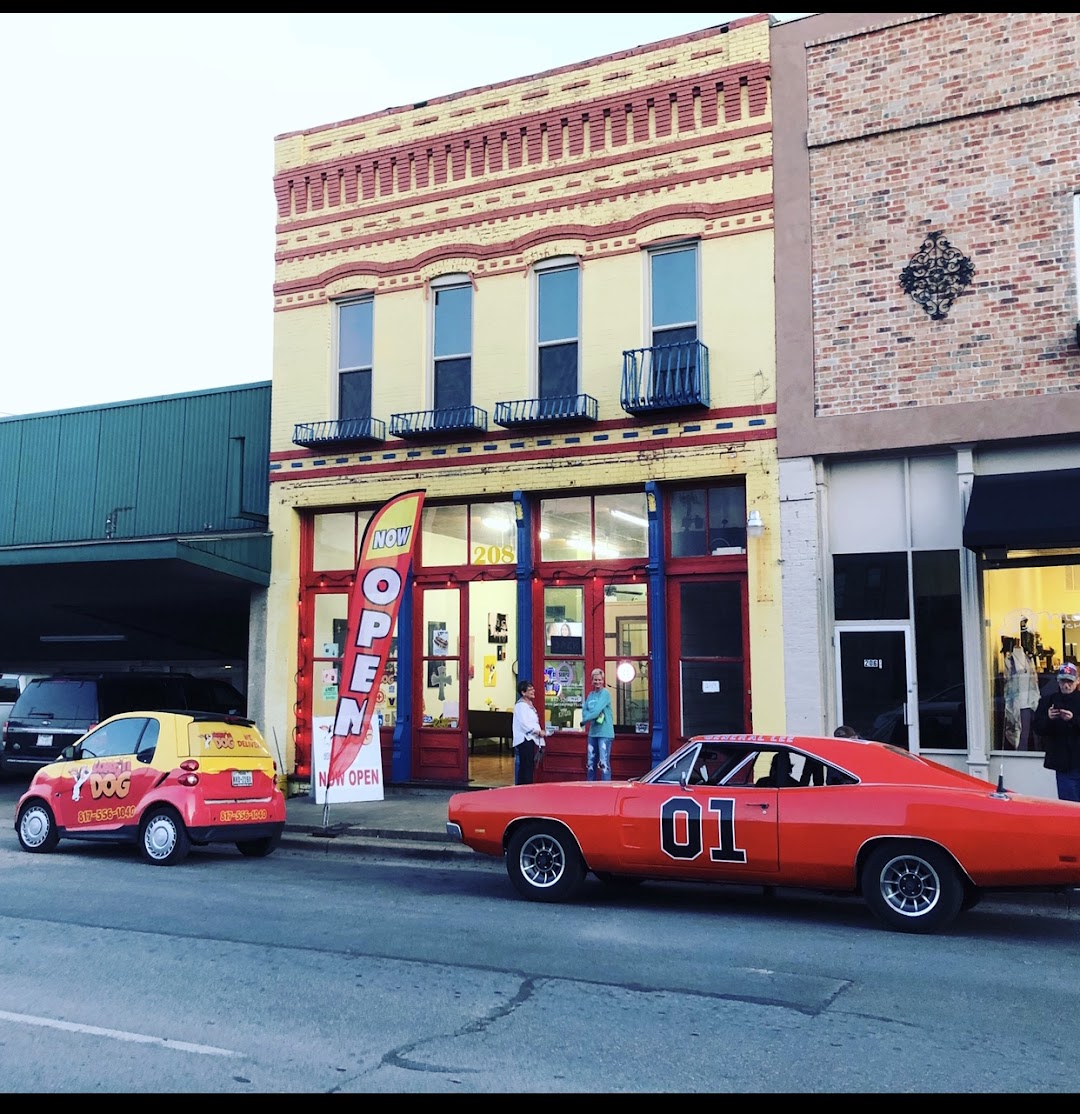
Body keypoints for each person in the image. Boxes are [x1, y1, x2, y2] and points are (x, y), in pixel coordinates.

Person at [1033, 661, 1080, 801]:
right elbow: (1038, 728)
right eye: (1063, 681)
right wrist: (1048, 718)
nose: (1066, 685)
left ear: (1077, 681)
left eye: (1070, 682)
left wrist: (1073, 720)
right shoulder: (1048, 701)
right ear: (1058, 681)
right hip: (1064, 764)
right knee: (1069, 808)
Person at [581, 668, 615, 781]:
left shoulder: (605, 693)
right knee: (590, 763)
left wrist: (584, 721)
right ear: (591, 680)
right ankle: (591, 786)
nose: (597, 682)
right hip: (593, 732)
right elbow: (584, 709)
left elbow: (596, 711)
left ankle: (606, 788)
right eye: (595, 680)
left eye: (599, 680)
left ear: (603, 680)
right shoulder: (590, 695)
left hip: (605, 733)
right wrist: (588, 716)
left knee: (603, 763)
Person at [511, 679, 545, 785]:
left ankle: (526, 786)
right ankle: (524, 787)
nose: (533, 691)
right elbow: (524, 724)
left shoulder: (529, 704)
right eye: (530, 689)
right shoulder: (521, 706)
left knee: (529, 765)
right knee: (526, 765)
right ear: (523, 692)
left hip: (531, 739)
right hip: (524, 739)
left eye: (533, 688)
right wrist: (537, 732)